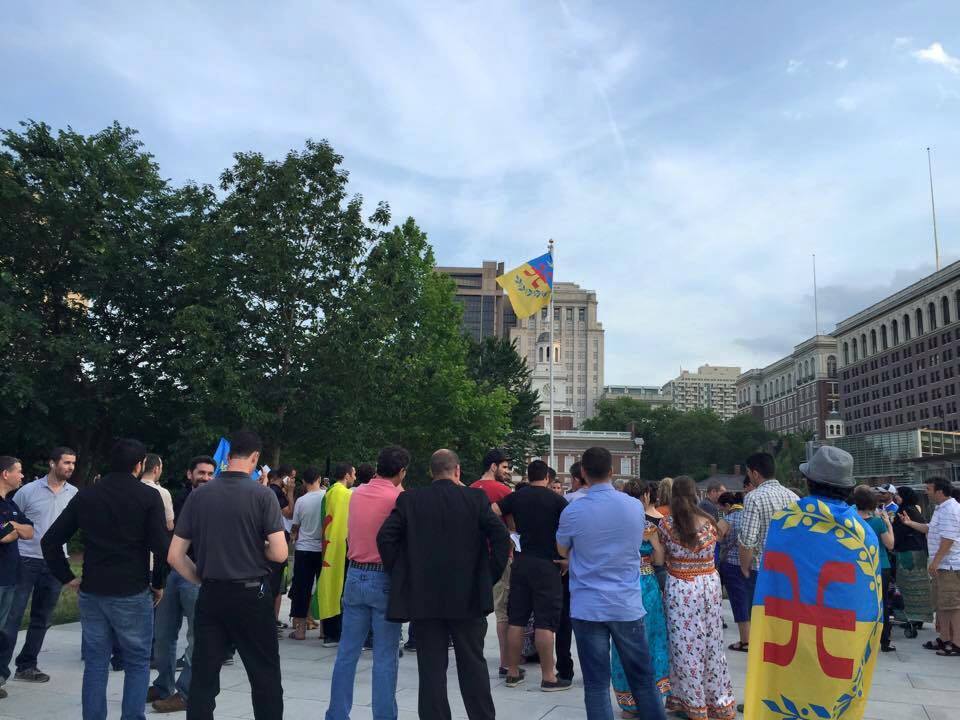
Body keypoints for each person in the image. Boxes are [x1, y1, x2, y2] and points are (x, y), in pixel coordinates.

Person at [744, 446, 882, 719]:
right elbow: (869, 603)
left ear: (808, 482)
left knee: (786, 694)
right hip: (839, 640)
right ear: (848, 488)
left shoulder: (785, 521)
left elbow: (772, 585)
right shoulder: (863, 533)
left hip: (786, 633)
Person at [42, 438, 169, 720]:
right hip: (132, 590)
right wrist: (158, 583)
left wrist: (66, 577)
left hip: (93, 590)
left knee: (96, 664)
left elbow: (50, 541)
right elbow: (162, 548)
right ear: (139, 465)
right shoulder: (149, 497)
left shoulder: (87, 495)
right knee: (137, 662)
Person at [377, 449, 509, 720]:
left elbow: (385, 538)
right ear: (458, 470)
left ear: (430, 472)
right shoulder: (475, 499)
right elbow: (500, 537)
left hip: (425, 597)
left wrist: (404, 573)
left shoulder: (410, 500)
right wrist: (487, 576)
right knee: (473, 665)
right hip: (469, 595)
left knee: (431, 670)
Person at [167, 429, 287, 720]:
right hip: (250, 595)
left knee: (204, 678)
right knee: (264, 676)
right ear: (255, 458)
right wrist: (258, 547)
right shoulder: (263, 495)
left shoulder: (200, 494)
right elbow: (280, 553)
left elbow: (174, 555)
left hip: (211, 594)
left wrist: (199, 578)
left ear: (229, 455)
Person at [557, 447, 665, 720]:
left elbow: (561, 549)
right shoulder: (633, 507)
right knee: (643, 678)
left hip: (588, 605)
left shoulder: (573, 510)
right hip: (626, 603)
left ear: (583, 473)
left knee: (595, 684)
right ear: (612, 470)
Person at [326, 446, 409, 720]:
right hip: (383, 576)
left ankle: (337, 714)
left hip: (354, 573)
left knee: (347, 652)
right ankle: (384, 716)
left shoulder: (355, 493)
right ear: (401, 472)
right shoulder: (399, 497)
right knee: (385, 656)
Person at [658, 476, 735, 720]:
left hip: (681, 585)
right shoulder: (710, 522)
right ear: (695, 494)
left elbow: (660, 558)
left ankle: (693, 703)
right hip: (708, 585)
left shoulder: (667, 525)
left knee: (684, 645)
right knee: (711, 643)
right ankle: (718, 701)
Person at [0, 446, 78, 686]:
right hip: (26, 559)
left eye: (73, 463)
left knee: (43, 618)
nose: (70, 468)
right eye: (66, 463)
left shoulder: (74, 493)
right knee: (12, 618)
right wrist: (17, 529)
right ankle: (2, 670)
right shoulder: (27, 491)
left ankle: (27, 665)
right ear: (52, 464)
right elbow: (11, 523)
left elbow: (24, 527)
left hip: (55, 562)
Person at [149, 455, 216, 713]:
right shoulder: (173, 498)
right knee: (163, 635)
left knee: (195, 637)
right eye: (201, 473)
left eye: (210, 474)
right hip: (171, 573)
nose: (206, 478)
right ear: (190, 474)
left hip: (198, 575)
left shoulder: (217, 501)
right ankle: (163, 685)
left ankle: (186, 693)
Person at [495, 459, 570, 691]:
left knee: (516, 619)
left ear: (527, 477)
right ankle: (549, 677)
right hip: (547, 564)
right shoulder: (558, 500)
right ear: (547, 478)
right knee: (545, 623)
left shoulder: (517, 497)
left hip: (522, 561)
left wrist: (510, 531)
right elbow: (569, 527)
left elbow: (493, 510)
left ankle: (513, 672)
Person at [610, 479, 670, 716]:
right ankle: (654, 698)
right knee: (652, 639)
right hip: (646, 583)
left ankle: (628, 703)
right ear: (646, 496)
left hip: (621, 584)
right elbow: (658, 559)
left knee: (622, 642)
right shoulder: (652, 524)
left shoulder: (615, 523)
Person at [899, 476, 960, 656]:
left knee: (952, 605)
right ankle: (945, 638)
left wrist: (936, 561)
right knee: (942, 604)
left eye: (929, 489)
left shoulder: (950, 510)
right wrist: (910, 523)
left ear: (940, 491)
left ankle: (956, 643)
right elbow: (930, 529)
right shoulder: (941, 509)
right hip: (942, 565)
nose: (926, 492)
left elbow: (949, 539)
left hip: (949, 566)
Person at [469, 448, 515, 678]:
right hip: (499, 558)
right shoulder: (503, 491)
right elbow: (513, 528)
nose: (507, 471)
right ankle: (506, 663)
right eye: (505, 467)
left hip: (471, 558)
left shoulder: (470, 489)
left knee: (473, 610)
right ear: (493, 466)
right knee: (502, 611)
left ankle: (470, 656)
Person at [737, 453, 799, 597]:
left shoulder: (753, 497)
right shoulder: (794, 497)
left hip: (762, 569)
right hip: (789, 570)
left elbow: (747, 540)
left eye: (748, 472)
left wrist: (745, 568)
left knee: (759, 617)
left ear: (755, 473)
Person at [0, 457, 34, 701]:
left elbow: (29, 531)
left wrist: (14, 525)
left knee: (3, 631)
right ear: (5, 474)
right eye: (19, 472)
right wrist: (14, 529)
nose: (22, 476)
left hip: (10, 577)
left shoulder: (10, 503)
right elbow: (4, 537)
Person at [851, 486, 895, 652]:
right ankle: (884, 640)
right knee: (882, 603)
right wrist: (888, 525)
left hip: (859, 566)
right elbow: (890, 544)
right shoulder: (877, 522)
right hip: (880, 565)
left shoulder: (852, 520)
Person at [317, 462, 356, 647]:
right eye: (353, 473)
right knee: (336, 588)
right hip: (339, 547)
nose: (355, 477)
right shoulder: (344, 494)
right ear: (347, 475)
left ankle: (330, 632)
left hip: (330, 546)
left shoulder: (331, 491)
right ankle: (334, 633)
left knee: (331, 587)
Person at [287, 467, 326, 641]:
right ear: (319, 478)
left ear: (303, 482)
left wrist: (293, 538)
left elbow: (295, 526)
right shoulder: (328, 497)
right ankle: (325, 630)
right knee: (323, 589)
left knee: (302, 589)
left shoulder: (301, 501)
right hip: (324, 549)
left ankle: (301, 630)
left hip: (304, 549)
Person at [891, 485, 933, 631]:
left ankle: (912, 618)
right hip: (919, 552)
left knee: (908, 586)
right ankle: (919, 618)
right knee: (919, 586)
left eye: (898, 494)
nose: (896, 496)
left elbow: (899, 533)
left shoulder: (904, 510)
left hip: (908, 553)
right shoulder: (914, 509)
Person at [717, 492, 751, 652]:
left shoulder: (726, 521)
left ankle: (745, 641)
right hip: (750, 564)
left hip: (730, 565)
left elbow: (714, 542)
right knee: (749, 600)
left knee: (738, 603)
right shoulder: (749, 518)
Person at [141, 453, 175, 532]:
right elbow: (170, 526)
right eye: (161, 468)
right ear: (156, 469)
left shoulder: (133, 488)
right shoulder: (163, 492)